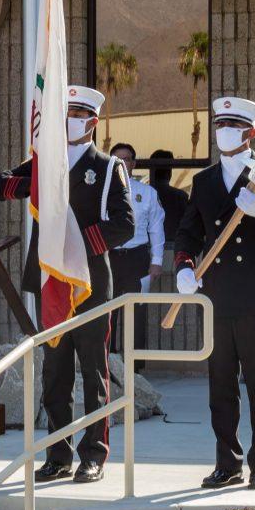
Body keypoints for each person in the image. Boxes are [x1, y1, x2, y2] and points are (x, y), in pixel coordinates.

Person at [0, 86, 134, 484]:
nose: (70, 119)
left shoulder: (106, 168)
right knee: (55, 374)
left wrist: (75, 246)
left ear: (92, 122)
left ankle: (94, 455)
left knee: (93, 372)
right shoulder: (43, 163)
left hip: (88, 281)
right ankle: (57, 454)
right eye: (65, 113)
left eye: (78, 113)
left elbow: (125, 224)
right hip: (50, 278)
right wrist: (33, 179)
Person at [174, 97, 255, 491]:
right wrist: (183, 265)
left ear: (251, 131)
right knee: (220, 385)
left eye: (232, 125)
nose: (223, 131)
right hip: (217, 296)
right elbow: (188, 231)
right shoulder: (203, 181)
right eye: (219, 124)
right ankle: (227, 462)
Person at [107, 142, 164, 355]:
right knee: (106, 312)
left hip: (137, 257)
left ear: (134, 163)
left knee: (136, 313)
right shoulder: (101, 192)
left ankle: (136, 367)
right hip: (108, 257)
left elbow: (157, 228)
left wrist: (156, 261)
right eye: (117, 159)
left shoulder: (147, 192)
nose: (122, 163)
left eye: (127, 159)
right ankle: (108, 366)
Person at [149, 149, 189, 270]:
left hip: (146, 252)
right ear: (169, 172)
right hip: (174, 253)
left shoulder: (143, 194)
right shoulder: (180, 196)